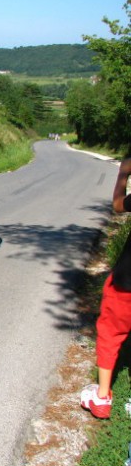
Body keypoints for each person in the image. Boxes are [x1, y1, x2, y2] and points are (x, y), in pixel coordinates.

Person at [81, 157, 131, 419]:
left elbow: (118, 206)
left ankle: (102, 398)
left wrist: (123, 173)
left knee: (110, 333)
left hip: (127, 281)